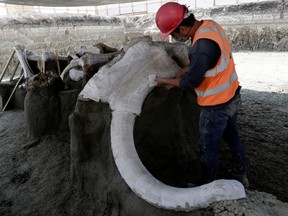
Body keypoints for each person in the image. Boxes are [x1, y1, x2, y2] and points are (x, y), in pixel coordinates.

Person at [155, 2, 249, 188]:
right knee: (232, 136)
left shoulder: (200, 46)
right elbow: (212, 57)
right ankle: (241, 172)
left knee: (208, 147)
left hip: (216, 105)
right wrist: (187, 67)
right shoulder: (211, 26)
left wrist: (165, 81)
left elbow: (191, 82)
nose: (174, 38)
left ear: (182, 28)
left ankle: (206, 186)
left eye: (173, 34)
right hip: (232, 95)